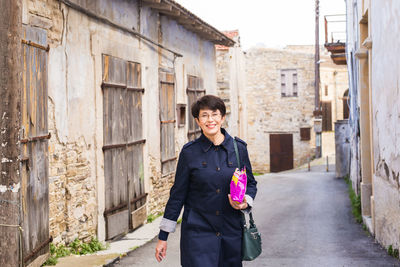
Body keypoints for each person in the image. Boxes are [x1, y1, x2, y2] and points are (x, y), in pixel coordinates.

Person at [155, 95, 257, 267]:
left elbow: (251, 184)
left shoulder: (239, 149)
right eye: (204, 115)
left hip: (231, 234)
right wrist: (163, 237)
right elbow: (177, 195)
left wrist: (245, 202)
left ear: (222, 118)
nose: (210, 120)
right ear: (197, 121)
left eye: (215, 114)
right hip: (197, 235)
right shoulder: (189, 153)